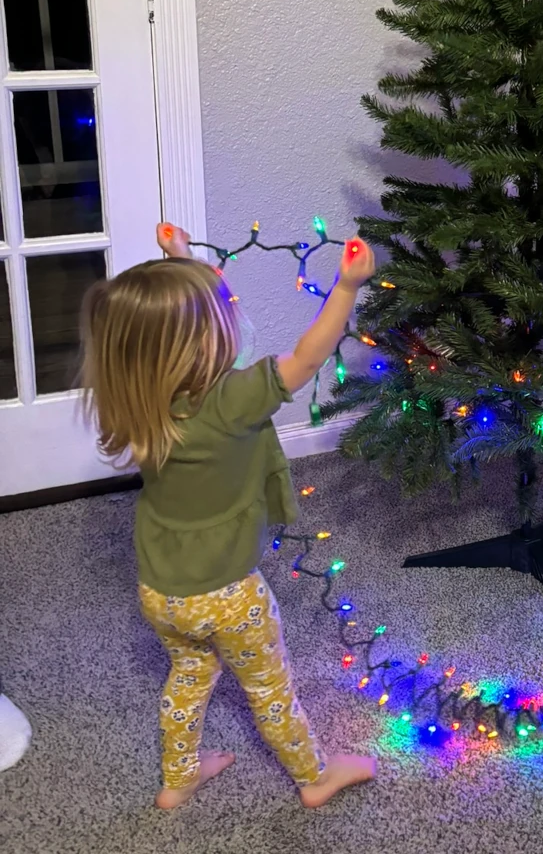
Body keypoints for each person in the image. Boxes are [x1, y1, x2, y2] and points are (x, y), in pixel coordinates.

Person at [81, 223, 378, 809]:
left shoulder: (136, 403)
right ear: (199, 345)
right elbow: (308, 354)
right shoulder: (230, 402)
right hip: (228, 594)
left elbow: (165, 334)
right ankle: (314, 778)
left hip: (161, 589)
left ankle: (179, 776)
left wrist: (181, 259)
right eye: (217, 320)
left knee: (190, 674)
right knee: (269, 686)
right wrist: (346, 287)